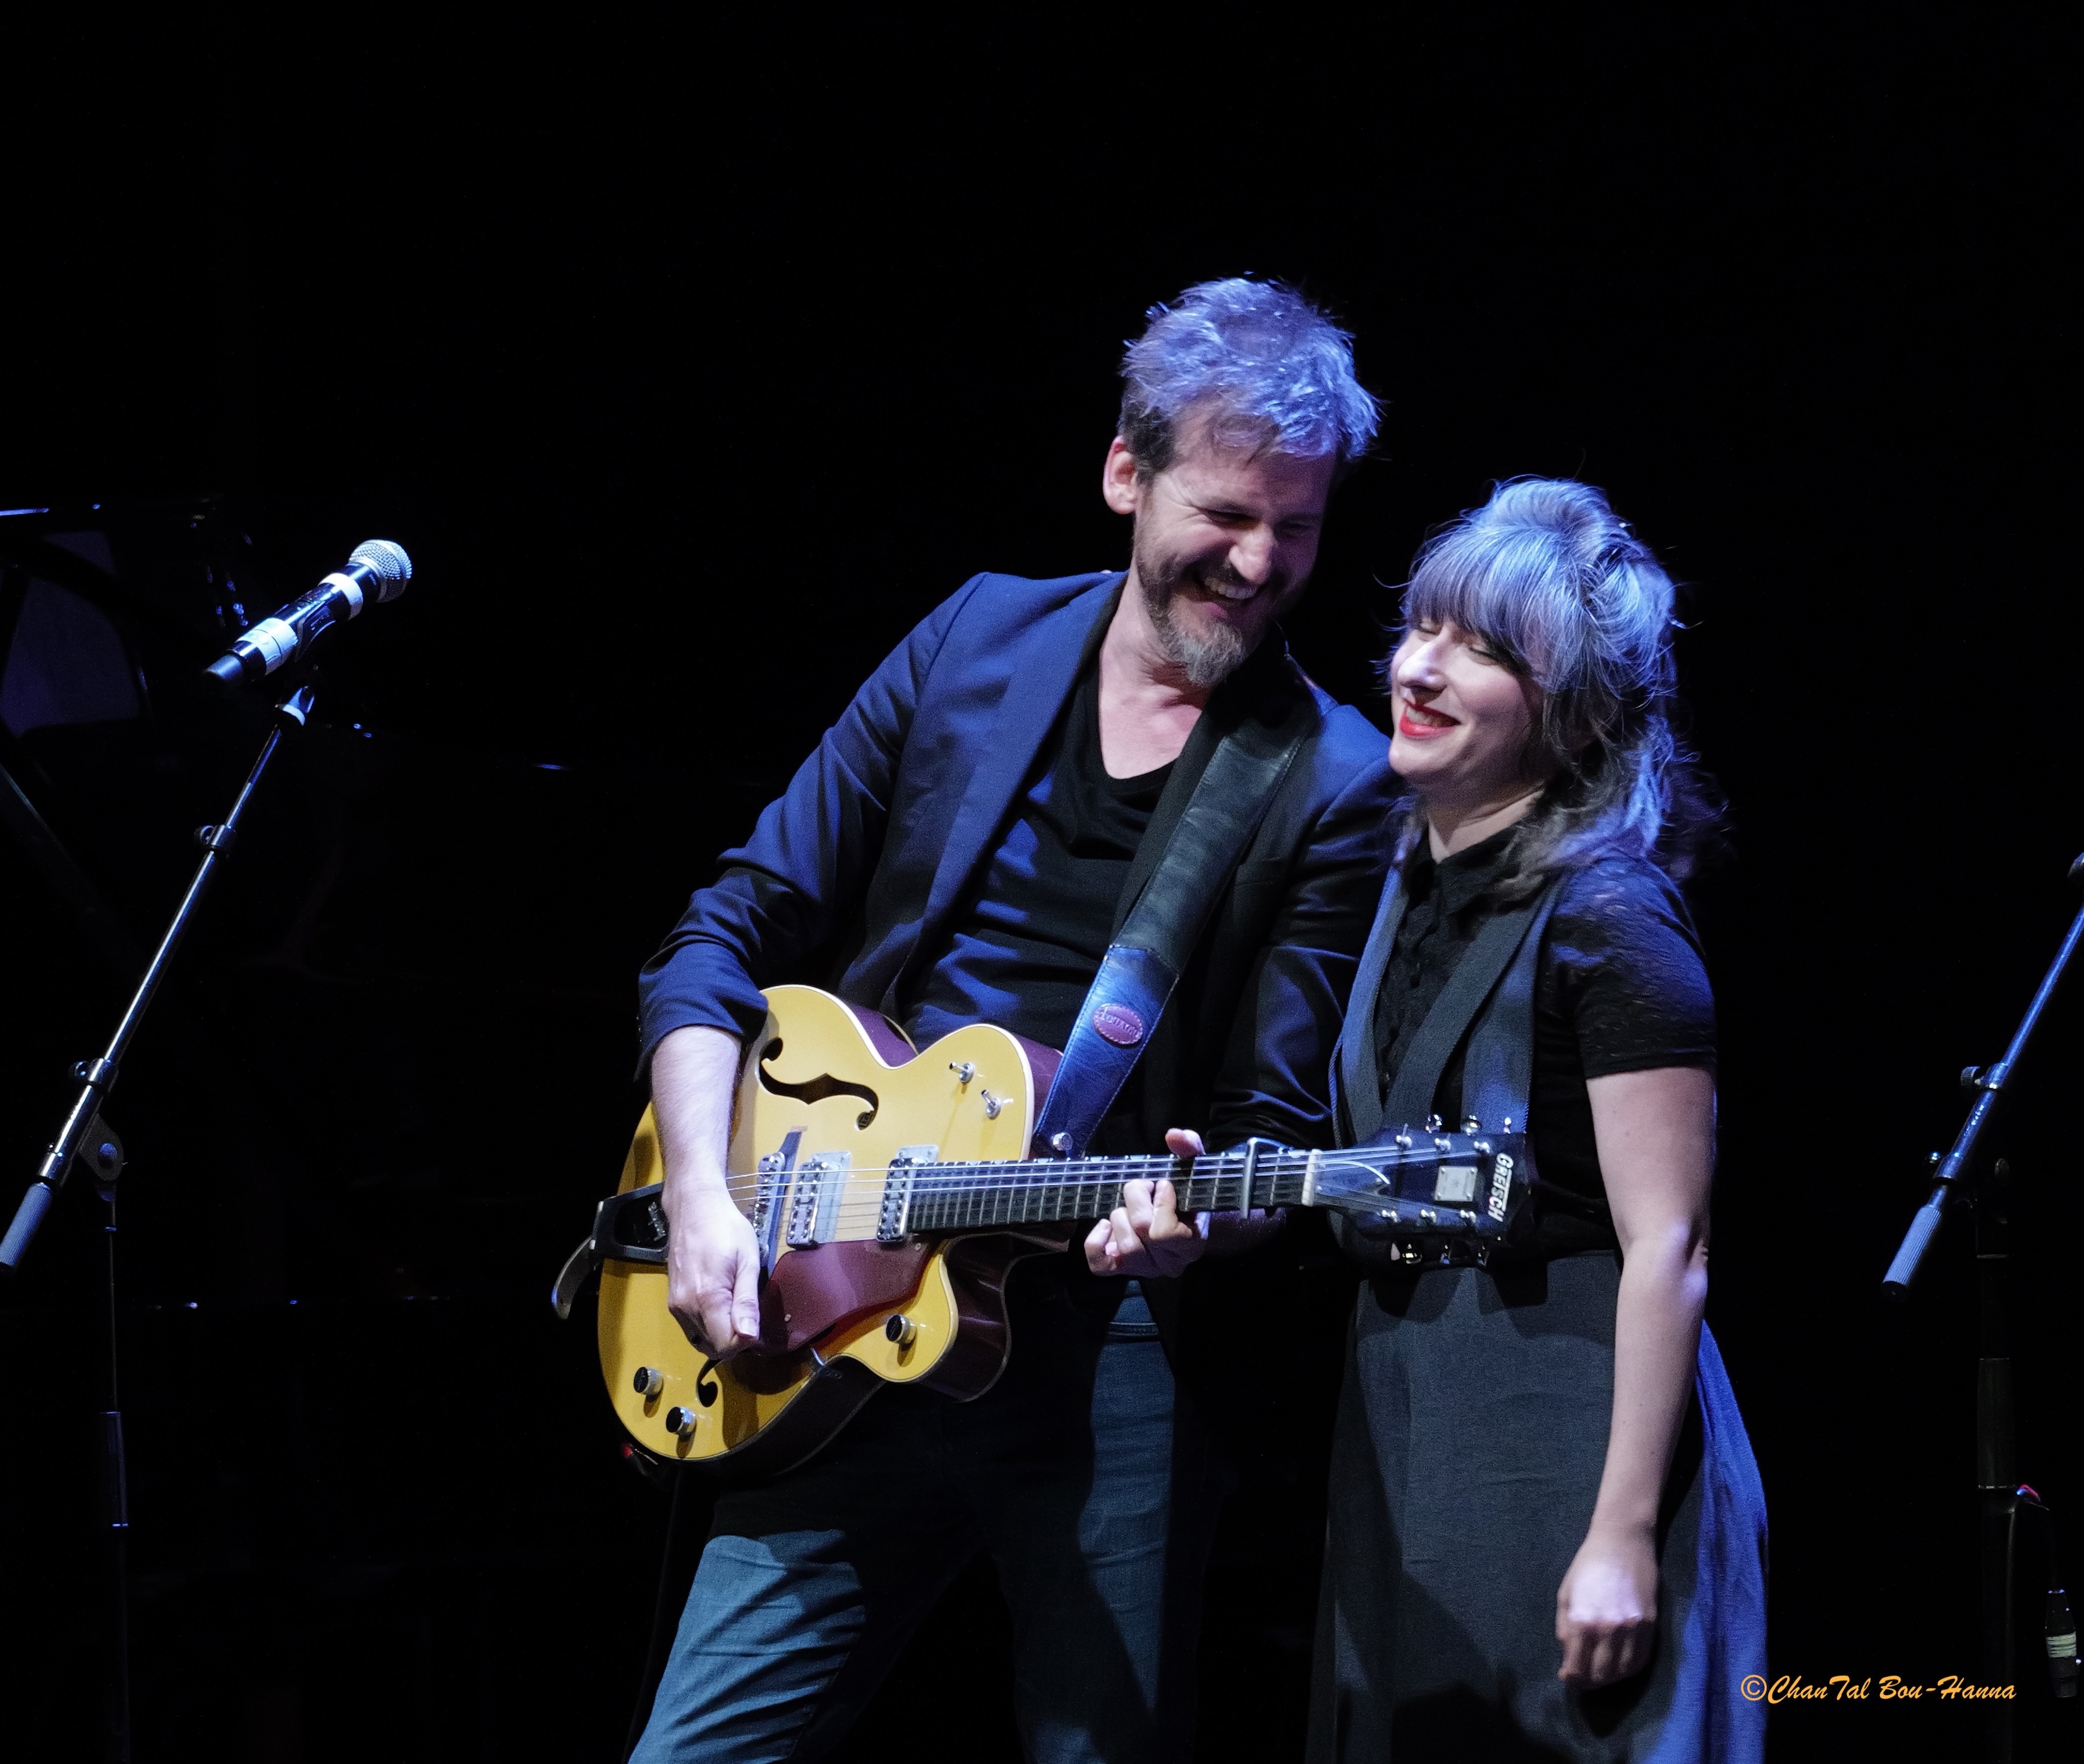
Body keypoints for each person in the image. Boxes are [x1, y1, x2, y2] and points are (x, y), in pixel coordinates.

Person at [629, 278, 1395, 1763]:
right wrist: (708, 1193)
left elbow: (1270, 1131)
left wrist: (1201, 1222)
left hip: (1110, 1352)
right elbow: (725, 929)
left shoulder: (1333, 777)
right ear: (1126, 474)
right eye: (1226, 513)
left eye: (1295, 527)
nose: (1259, 562)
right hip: (838, 1290)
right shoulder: (977, 637)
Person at [1093, 478, 1768, 1761]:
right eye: (1426, 626)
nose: (1421, 666)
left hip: (1569, 1435)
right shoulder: (1402, 880)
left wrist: (1622, 1532)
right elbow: (1370, 1173)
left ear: (1576, 714)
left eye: (1484, 649)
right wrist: (1216, 1215)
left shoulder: (1613, 921)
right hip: (1407, 1429)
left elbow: (1669, 1247)